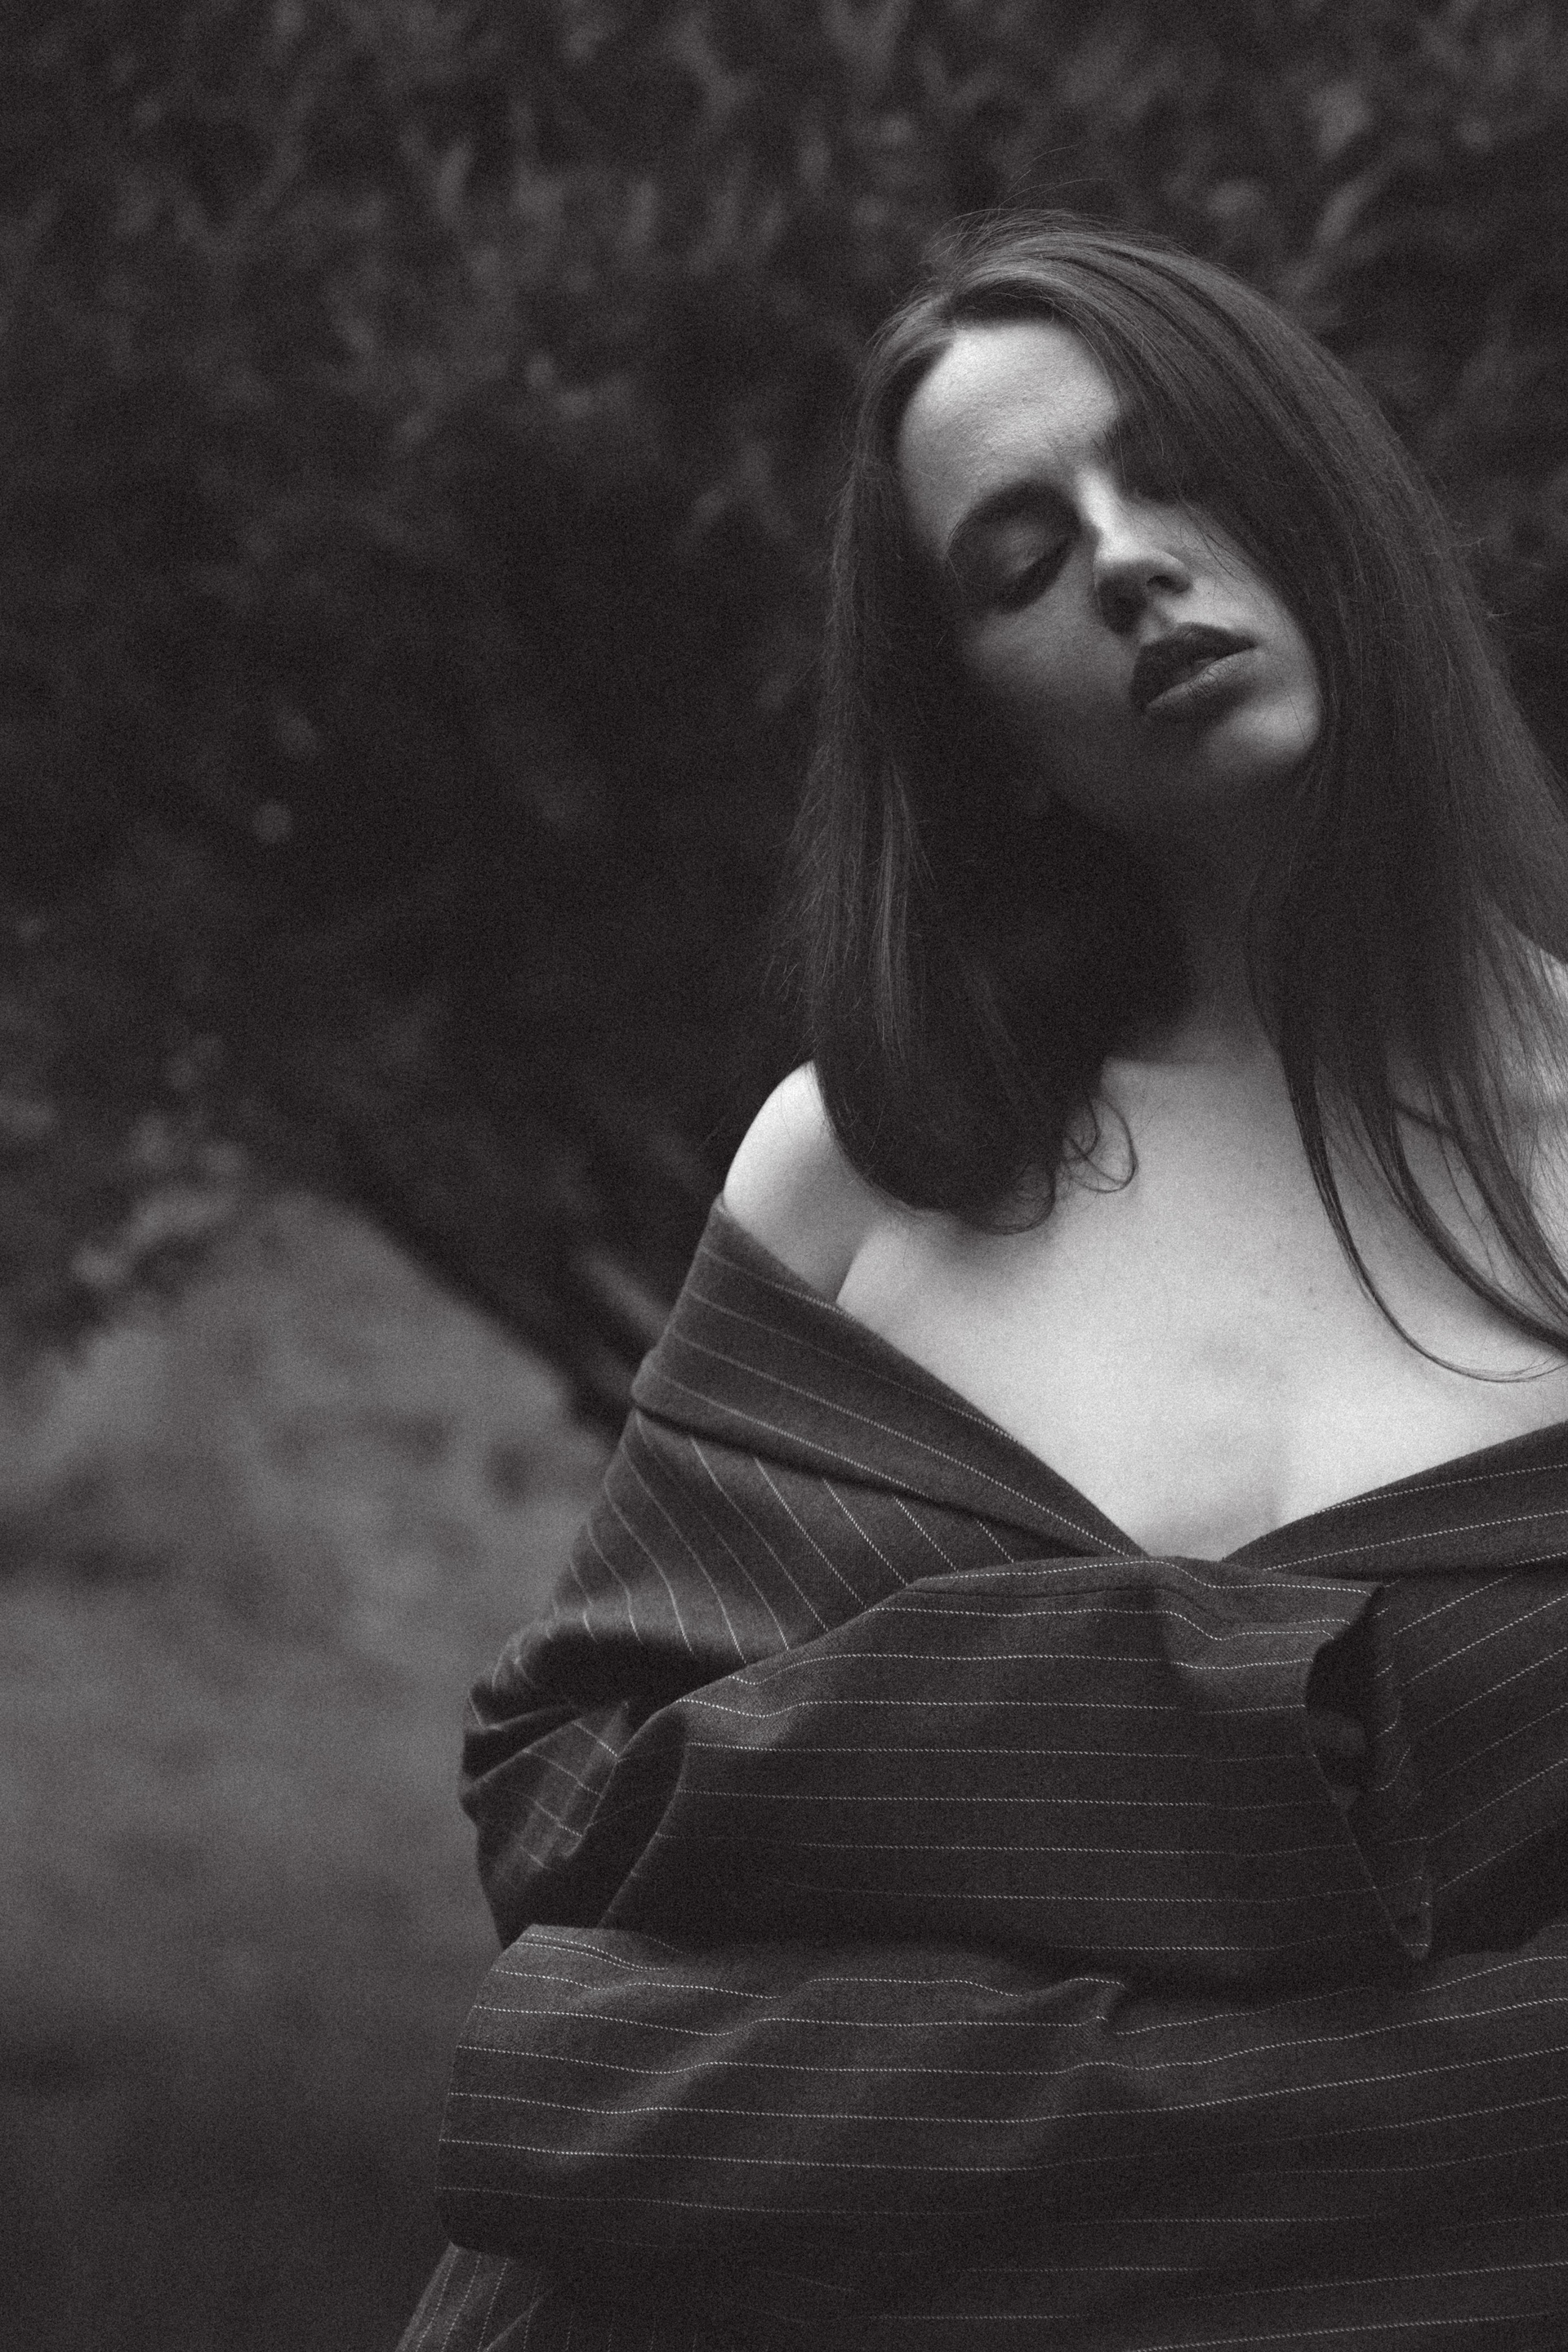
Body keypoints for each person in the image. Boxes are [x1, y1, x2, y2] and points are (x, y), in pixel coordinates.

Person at [397, 213, 1568, 2351]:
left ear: (1328, 497)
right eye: (1021, 562)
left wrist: (860, 2049)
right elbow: (571, 1805)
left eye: (1179, 473)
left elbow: (620, 2085)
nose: (1127, 562)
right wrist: (1180, 1734)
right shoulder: (873, 1167)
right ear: (995, 730)